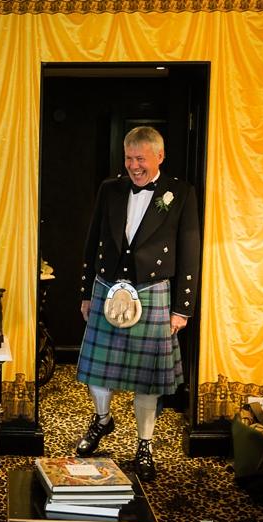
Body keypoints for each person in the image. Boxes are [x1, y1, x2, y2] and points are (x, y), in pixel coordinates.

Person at [75, 126, 200, 483]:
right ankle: (102, 420)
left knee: (148, 380)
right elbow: (92, 240)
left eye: (140, 159)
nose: (133, 166)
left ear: (159, 156)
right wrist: (86, 292)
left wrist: (182, 308)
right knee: (97, 373)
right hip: (106, 288)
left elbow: (190, 253)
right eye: (129, 159)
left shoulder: (181, 194)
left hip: (152, 291)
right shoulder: (109, 189)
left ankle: (144, 444)